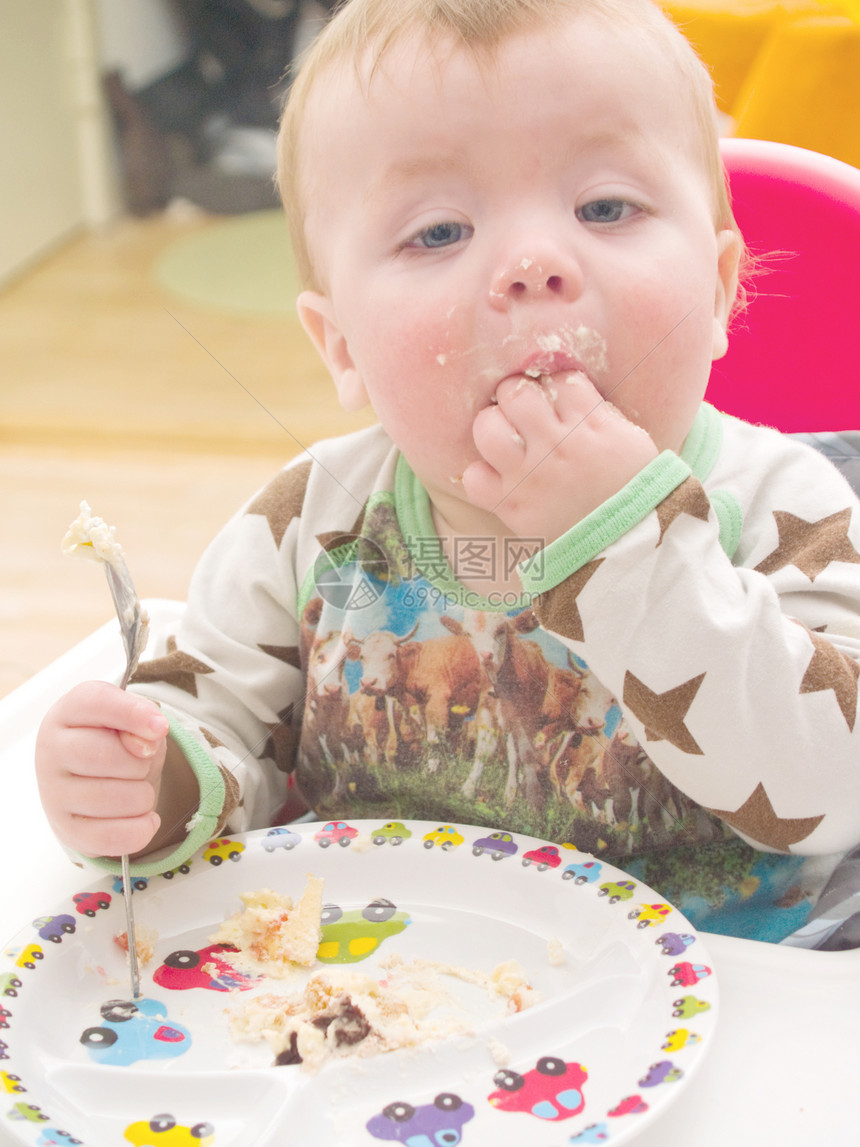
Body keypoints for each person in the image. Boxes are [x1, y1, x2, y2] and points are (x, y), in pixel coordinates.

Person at [36, 0, 860, 945]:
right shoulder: (310, 526)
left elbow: (834, 790)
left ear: (718, 293)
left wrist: (626, 541)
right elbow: (211, 724)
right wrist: (151, 782)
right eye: (437, 232)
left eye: (604, 208)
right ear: (341, 345)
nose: (534, 263)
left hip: (741, 1021)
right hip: (390, 1003)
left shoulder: (783, 512)